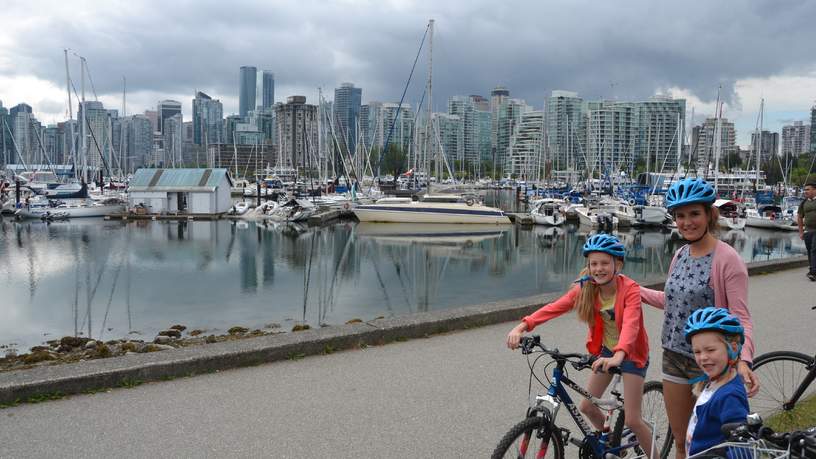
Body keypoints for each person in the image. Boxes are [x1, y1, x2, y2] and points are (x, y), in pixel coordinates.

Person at [640, 177, 758, 459]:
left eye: (694, 213)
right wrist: (633, 289)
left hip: (708, 361)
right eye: (680, 216)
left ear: (709, 215)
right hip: (674, 356)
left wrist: (744, 360)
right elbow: (672, 303)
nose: (687, 222)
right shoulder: (680, 254)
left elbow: (741, 317)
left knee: (709, 446)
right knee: (682, 441)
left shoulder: (728, 260)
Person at [507, 234, 654, 457]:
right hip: (606, 352)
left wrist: (619, 356)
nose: (599, 269)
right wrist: (522, 327)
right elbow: (555, 307)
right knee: (586, 406)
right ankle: (610, 443)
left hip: (632, 355)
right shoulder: (586, 288)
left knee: (633, 419)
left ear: (618, 265)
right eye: (594, 263)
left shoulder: (630, 289)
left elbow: (632, 325)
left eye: (605, 263)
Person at [683, 307, 749, 456]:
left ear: (732, 348)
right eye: (697, 352)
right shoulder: (712, 383)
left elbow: (742, 447)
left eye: (710, 350)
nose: (703, 357)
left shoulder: (730, 395)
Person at [797, 181, 816, 281]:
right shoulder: (804, 203)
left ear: (814, 190)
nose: (805, 191)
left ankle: (813, 272)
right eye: (805, 189)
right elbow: (800, 217)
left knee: (814, 249)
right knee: (809, 251)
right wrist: (801, 232)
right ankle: (812, 269)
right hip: (808, 231)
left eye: (808, 189)